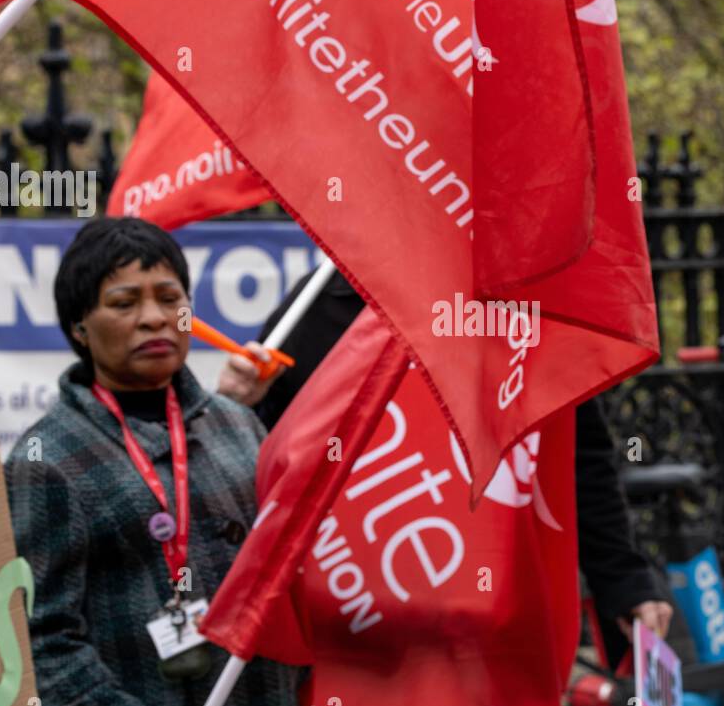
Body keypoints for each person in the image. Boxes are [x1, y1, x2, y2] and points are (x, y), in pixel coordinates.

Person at [216, 269, 673, 668]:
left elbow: (577, 452)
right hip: (352, 630)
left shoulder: (516, 305)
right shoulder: (311, 311)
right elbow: (270, 468)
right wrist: (236, 408)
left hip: (487, 633)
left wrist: (623, 578)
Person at [5, 218, 304, 706]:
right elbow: (41, 641)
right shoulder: (47, 459)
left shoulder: (237, 424)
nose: (155, 319)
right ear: (79, 327)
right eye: (123, 304)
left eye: (171, 298)